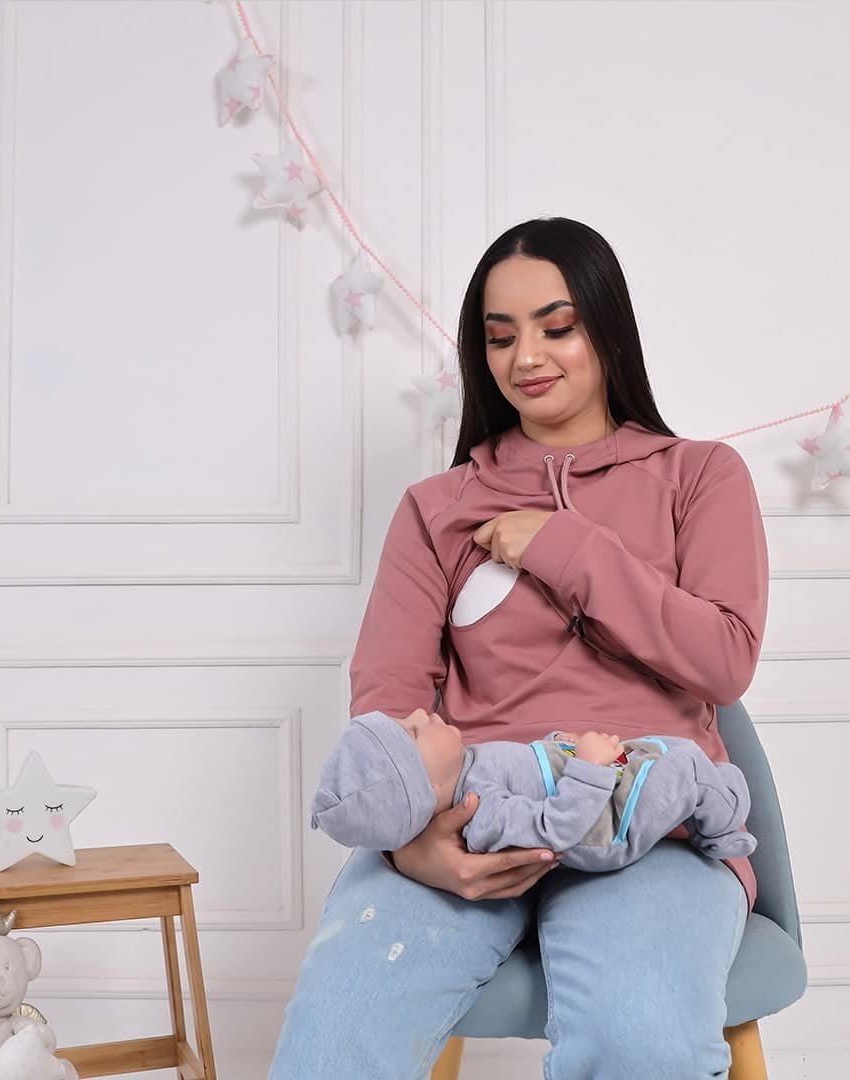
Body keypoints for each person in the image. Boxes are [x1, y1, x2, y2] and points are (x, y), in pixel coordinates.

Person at [268, 217, 769, 1079]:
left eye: (556, 327)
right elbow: (389, 702)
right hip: (474, 821)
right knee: (336, 1039)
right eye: (500, 338)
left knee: (641, 1041)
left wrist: (564, 546)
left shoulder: (700, 476)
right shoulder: (436, 508)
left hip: (649, 828)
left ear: (606, 327)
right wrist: (410, 848)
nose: (526, 357)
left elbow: (724, 660)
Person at [309, 709, 757, 867]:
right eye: (412, 731)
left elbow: (529, 773)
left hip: (597, 787)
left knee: (664, 751)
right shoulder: (480, 813)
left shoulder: (469, 767)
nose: (421, 713)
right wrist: (587, 768)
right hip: (605, 826)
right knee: (687, 768)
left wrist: (559, 747)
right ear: (424, 786)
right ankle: (720, 834)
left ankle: (719, 799)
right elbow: (553, 831)